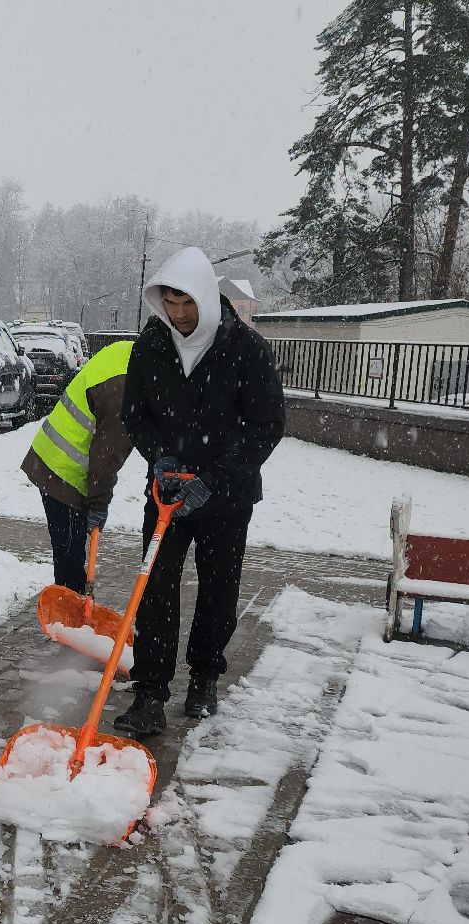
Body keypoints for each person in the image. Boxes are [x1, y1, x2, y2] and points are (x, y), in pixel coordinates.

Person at [113, 247, 285, 736]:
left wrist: (215, 480)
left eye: (187, 303)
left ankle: (205, 678)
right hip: (168, 493)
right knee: (155, 592)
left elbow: (266, 425)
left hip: (226, 498)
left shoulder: (245, 348)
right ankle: (150, 693)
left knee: (218, 591)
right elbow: (136, 415)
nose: (179, 314)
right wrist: (159, 459)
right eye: (170, 302)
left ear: (207, 299)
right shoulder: (151, 343)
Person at [21, 339, 136, 592]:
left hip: (52, 454)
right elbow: (106, 458)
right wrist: (99, 503)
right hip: (65, 471)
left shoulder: (122, 352)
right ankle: (69, 614)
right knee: (70, 557)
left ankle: (70, 601)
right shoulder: (126, 390)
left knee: (67, 552)